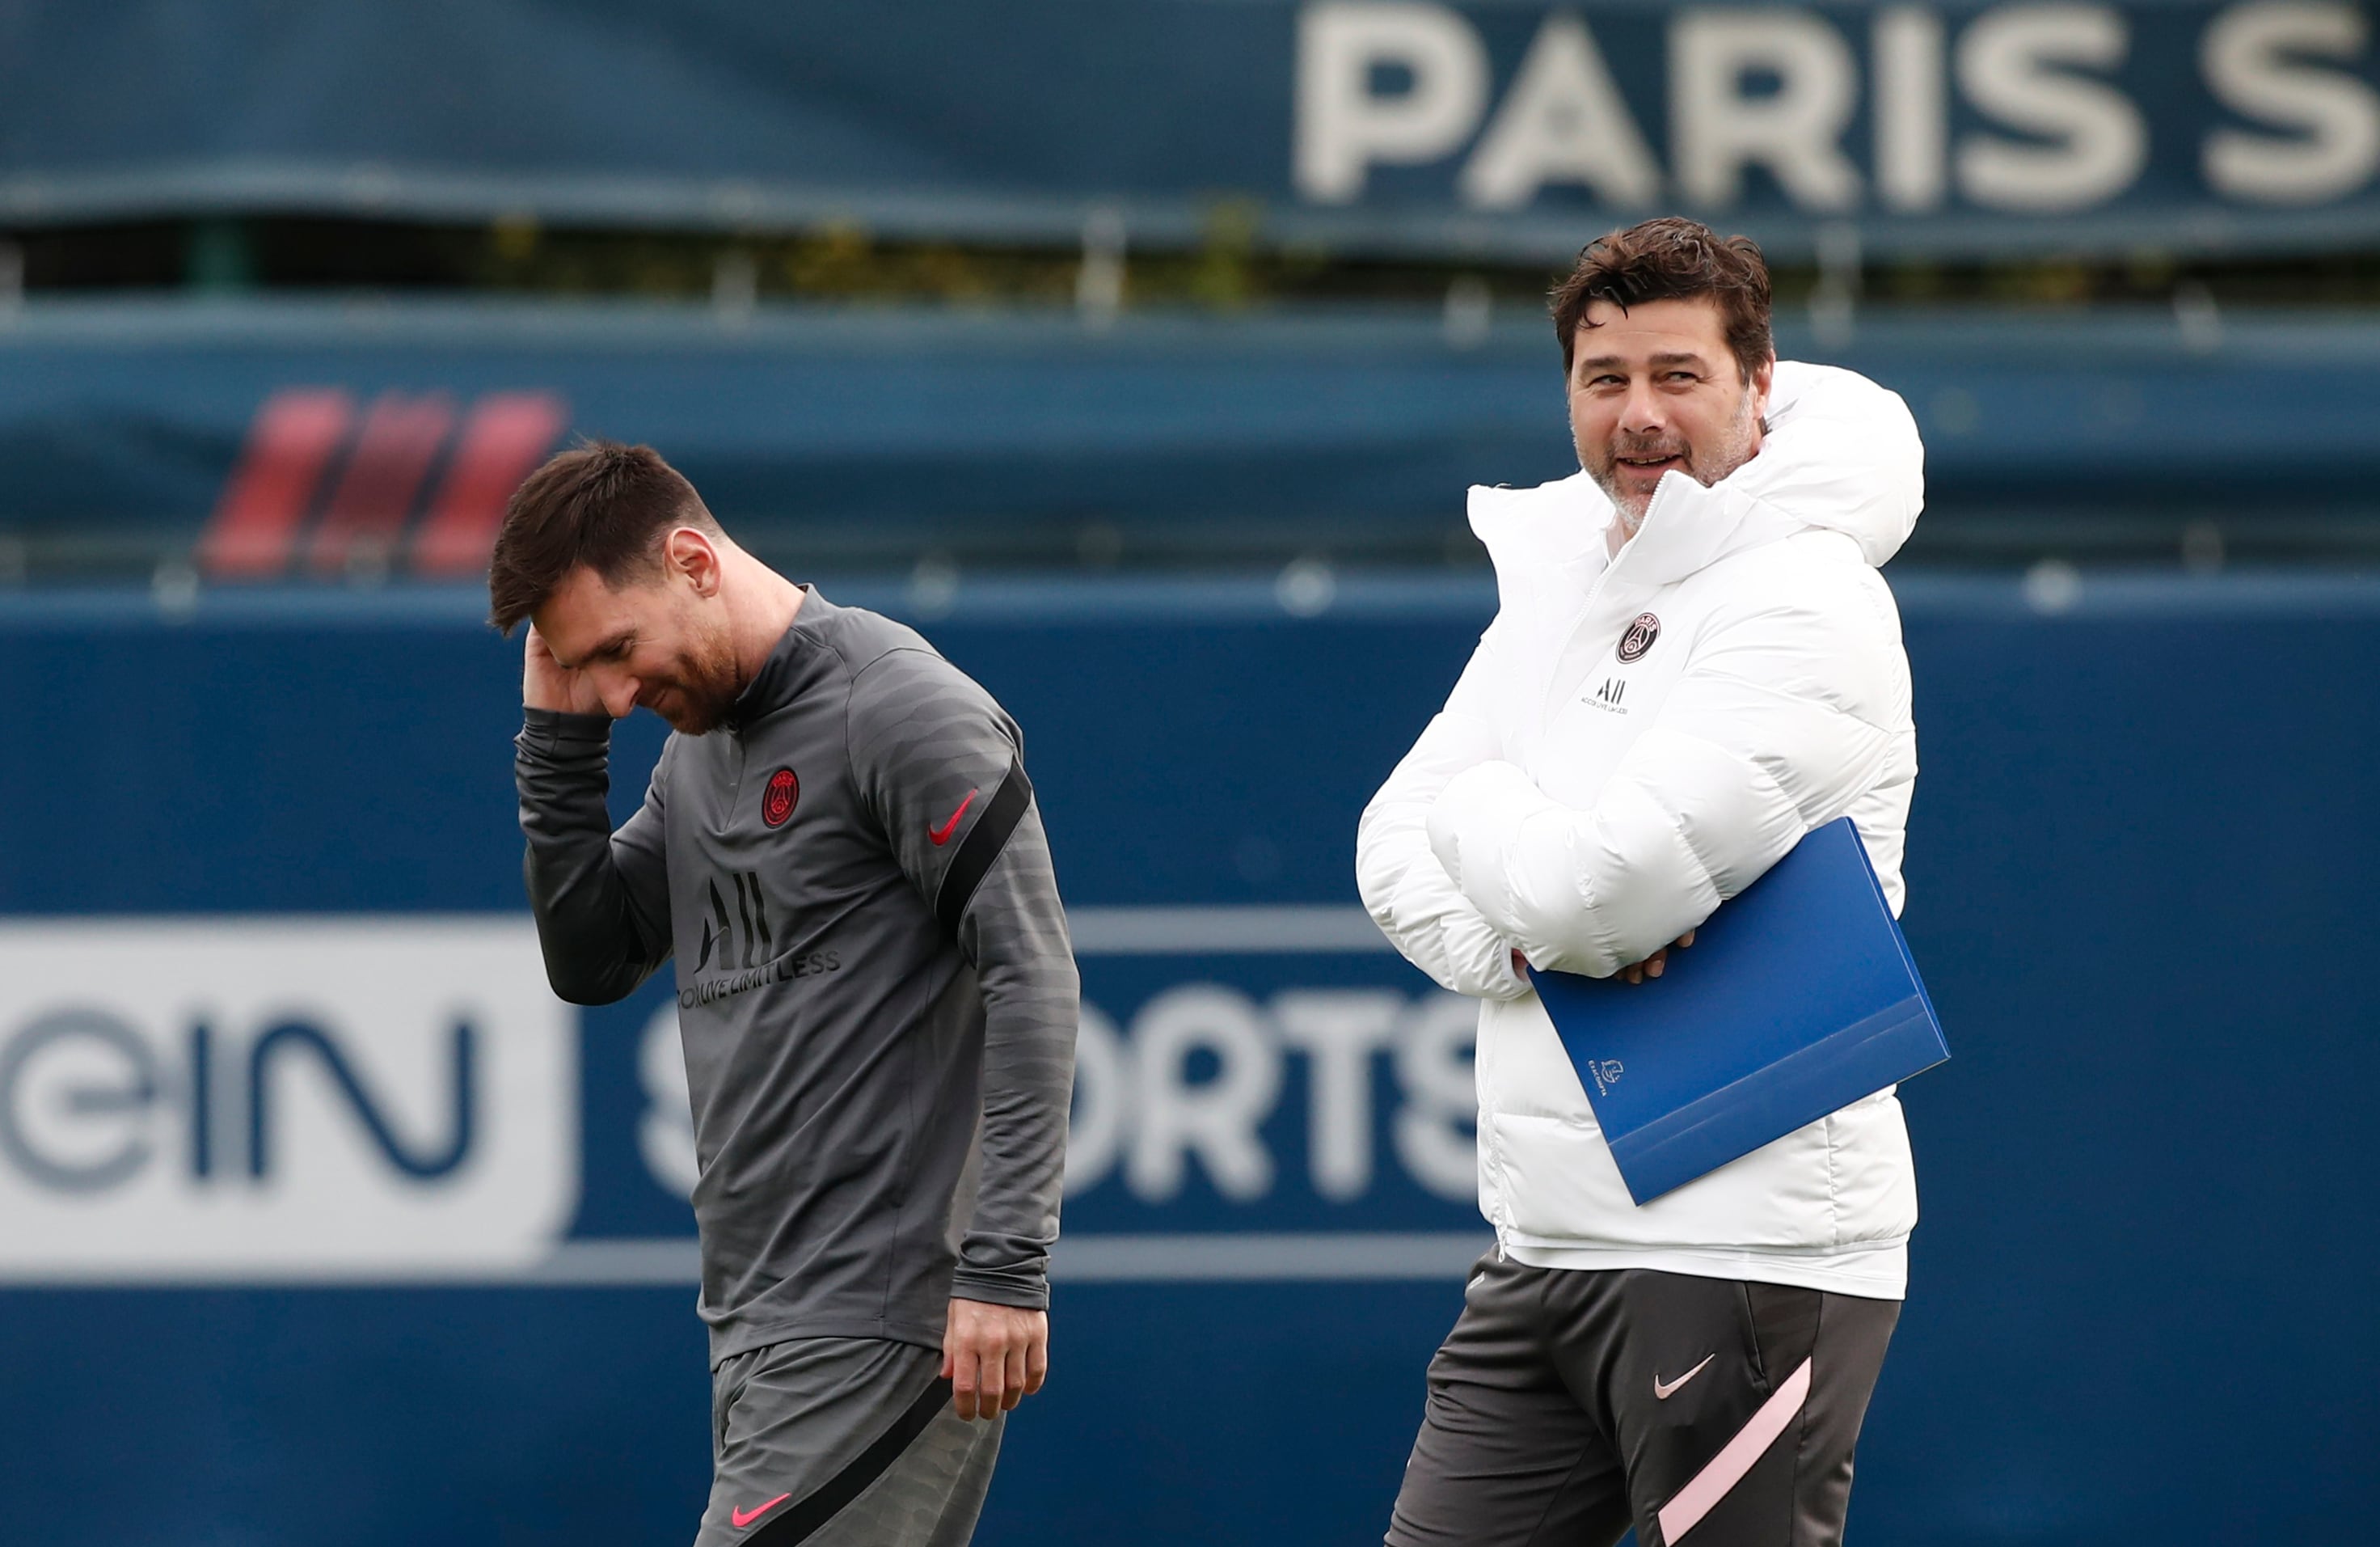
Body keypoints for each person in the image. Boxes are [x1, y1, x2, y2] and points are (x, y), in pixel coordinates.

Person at [1356, 217, 1926, 1547]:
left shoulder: (1811, 599)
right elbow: (1392, 848)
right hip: (1542, 1245)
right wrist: (1526, 939)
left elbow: (1589, 894)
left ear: (1758, 386)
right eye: (1605, 379)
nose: (1641, 416)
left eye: (1680, 375)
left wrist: (1488, 814)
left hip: (1747, 1256)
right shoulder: (1563, 575)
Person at [488, 442, 1078, 1547]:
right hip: (758, 1325)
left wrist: (1005, 1264)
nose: (618, 694)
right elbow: (593, 955)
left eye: (617, 650)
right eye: (587, 669)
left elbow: (1033, 971)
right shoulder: (696, 750)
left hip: (880, 1320)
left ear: (694, 560)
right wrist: (561, 743)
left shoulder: (896, 704)